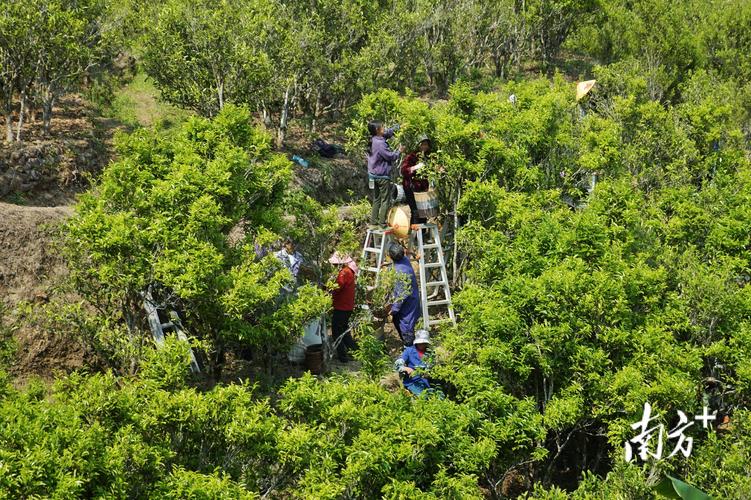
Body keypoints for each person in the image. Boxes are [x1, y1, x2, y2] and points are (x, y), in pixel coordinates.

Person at [367, 120, 405, 228]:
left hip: (373, 175)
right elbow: (390, 156)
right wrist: (399, 151)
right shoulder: (380, 143)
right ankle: (382, 223)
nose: (384, 128)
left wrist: (398, 126)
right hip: (381, 175)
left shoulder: (374, 139)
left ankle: (373, 222)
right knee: (385, 199)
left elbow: (388, 132)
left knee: (376, 199)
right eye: (382, 127)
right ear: (377, 130)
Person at [387, 243, 421, 346]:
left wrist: (393, 310)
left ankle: (412, 351)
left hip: (407, 304)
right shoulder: (404, 260)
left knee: (406, 328)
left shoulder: (400, 272)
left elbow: (402, 295)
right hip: (410, 299)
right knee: (398, 322)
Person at [329, 252, 358, 362]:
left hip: (342, 307)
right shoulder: (349, 271)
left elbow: (337, 287)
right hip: (347, 306)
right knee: (344, 331)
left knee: (336, 332)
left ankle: (343, 356)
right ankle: (355, 351)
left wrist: (326, 288)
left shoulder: (344, 273)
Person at [401, 135, 431, 225]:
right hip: (411, 187)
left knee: (423, 211)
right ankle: (414, 237)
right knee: (415, 211)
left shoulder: (427, 157)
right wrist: (415, 167)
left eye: (426, 145)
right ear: (418, 145)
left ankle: (422, 235)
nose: (425, 147)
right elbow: (404, 170)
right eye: (423, 144)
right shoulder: (411, 156)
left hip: (421, 188)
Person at [395, 330, 434, 396]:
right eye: (420, 343)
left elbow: (433, 365)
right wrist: (406, 368)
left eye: (424, 343)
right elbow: (398, 363)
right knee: (423, 397)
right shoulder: (409, 351)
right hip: (412, 381)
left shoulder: (430, 352)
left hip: (427, 381)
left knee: (438, 396)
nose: (422, 345)